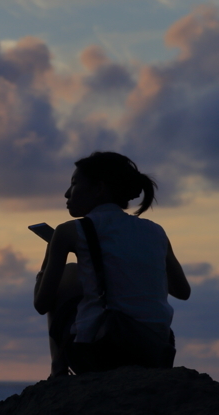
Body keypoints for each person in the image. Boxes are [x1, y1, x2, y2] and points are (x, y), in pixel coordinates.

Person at [33, 152, 191, 376]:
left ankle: (57, 370)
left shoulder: (68, 231)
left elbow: (41, 304)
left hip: (102, 350)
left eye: (75, 184)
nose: (67, 193)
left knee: (70, 272)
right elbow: (182, 291)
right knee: (82, 273)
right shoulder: (155, 231)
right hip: (155, 352)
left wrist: (48, 259)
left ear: (99, 189)